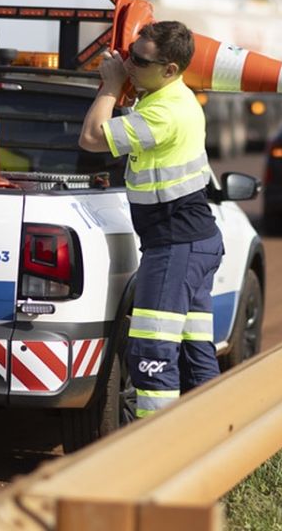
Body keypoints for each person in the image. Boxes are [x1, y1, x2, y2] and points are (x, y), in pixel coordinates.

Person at [79, 21, 223, 418]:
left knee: (151, 351)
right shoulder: (170, 97)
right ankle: (213, 434)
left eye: (140, 61)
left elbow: (91, 138)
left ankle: (154, 444)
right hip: (192, 241)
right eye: (129, 54)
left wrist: (110, 86)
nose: (128, 64)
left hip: (175, 246)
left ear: (170, 69)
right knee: (194, 355)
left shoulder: (164, 112)